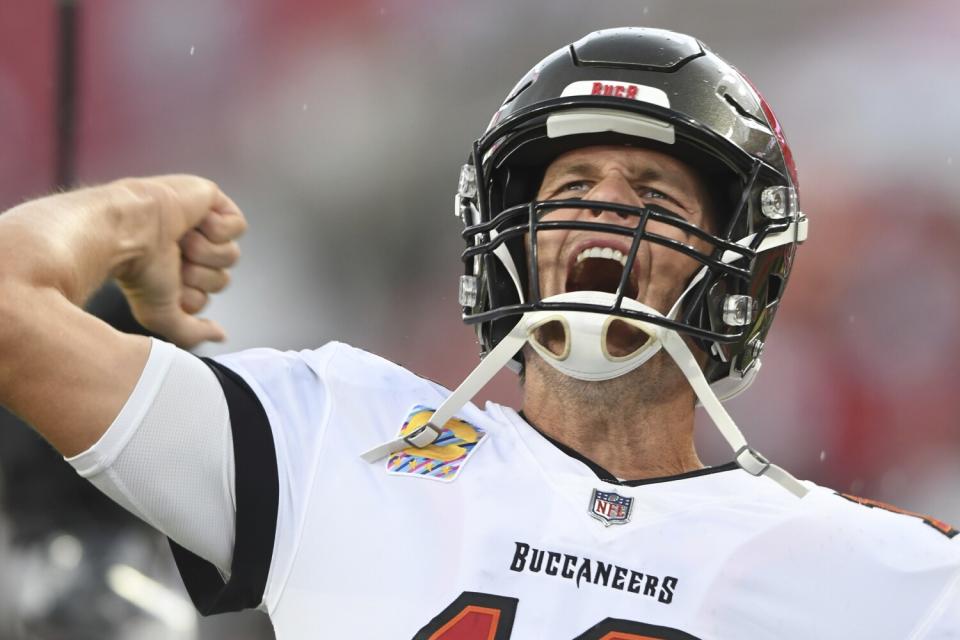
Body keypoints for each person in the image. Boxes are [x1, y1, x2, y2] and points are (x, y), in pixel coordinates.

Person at [0, 27, 957, 639]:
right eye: (571, 190)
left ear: (737, 268)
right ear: (509, 242)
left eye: (654, 196)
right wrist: (134, 210)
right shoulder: (338, 434)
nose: (605, 217)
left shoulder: (858, 563)